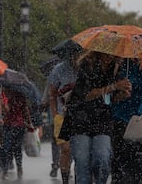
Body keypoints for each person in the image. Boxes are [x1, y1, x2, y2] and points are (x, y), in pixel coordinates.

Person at [59, 51, 132, 184]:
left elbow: (109, 99)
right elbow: (87, 95)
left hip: (102, 119)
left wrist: (121, 95)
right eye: (108, 53)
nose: (111, 56)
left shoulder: (116, 69)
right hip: (81, 118)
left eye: (113, 53)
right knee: (82, 161)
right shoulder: (87, 65)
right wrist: (114, 86)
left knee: (102, 157)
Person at [48, 39, 82, 183]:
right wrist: (55, 114)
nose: (76, 58)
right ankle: (65, 179)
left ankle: (77, 177)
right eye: (73, 55)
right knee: (66, 149)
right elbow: (52, 93)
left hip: (81, 116)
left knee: (79, 152)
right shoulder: (59, 70)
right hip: (62, 116)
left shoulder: (86, 69)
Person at [0, 89, 34, 180]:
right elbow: (25, 110)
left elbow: (23, 110)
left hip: (14, 125)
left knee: (9, 148)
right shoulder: (18, 95)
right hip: (14, 125)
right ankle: (16, 169)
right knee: (12, 148)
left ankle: (12, 169)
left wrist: (4, 104)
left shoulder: (11, 96)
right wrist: (29, 123)